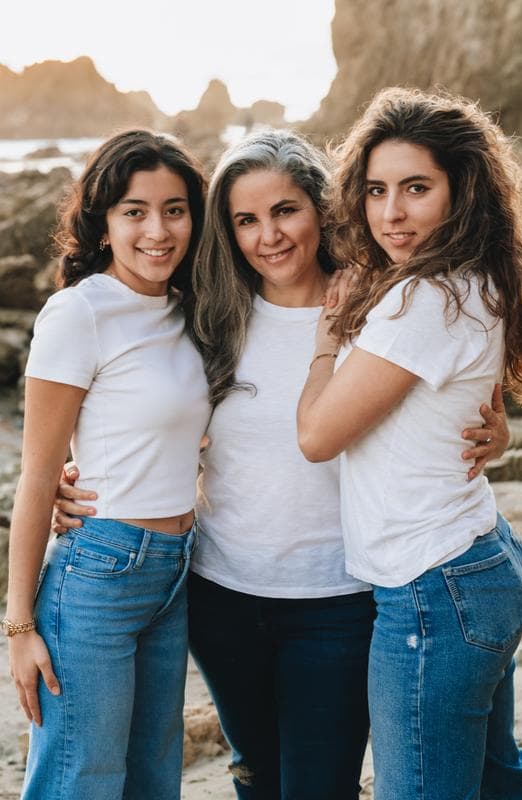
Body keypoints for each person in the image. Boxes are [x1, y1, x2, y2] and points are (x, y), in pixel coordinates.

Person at [53, 128, 510, 800]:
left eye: (284, 210)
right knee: (256, 775)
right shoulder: (205, 316)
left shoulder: (379, 305)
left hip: (339, 601)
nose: (268, 235)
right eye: (245, 220)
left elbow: (443, 407)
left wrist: (493, 437)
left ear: (321, 210)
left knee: (318, 785)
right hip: (221, 595)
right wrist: (76, 474)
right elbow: (130, 401)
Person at [297, 87, 522, 800]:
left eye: (416, 189)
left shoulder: (424, 299)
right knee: (493, 784)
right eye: (375, 191)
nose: (391, 213)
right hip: (479, 559)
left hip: (433, 587)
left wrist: (326, 345)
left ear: (461, 192)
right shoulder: (478, 280)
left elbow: (316, 435)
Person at [4, 129, 210, 800]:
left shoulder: (189, 308)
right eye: (135, 211)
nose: (158, 229)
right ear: (102, 222)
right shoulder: (78, 313)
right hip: (101, 572)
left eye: (174, 209)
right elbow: (38, 474)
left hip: (176, 571)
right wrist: (20, 626)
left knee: (153, 777)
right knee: (80, 779)